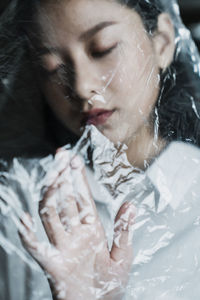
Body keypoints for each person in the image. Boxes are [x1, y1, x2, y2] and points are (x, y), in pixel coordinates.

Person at [1, 0, 200, 299]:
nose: (81, 87)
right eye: (51, 68)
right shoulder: (19, 203)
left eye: (103, 49)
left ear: (162, 42)